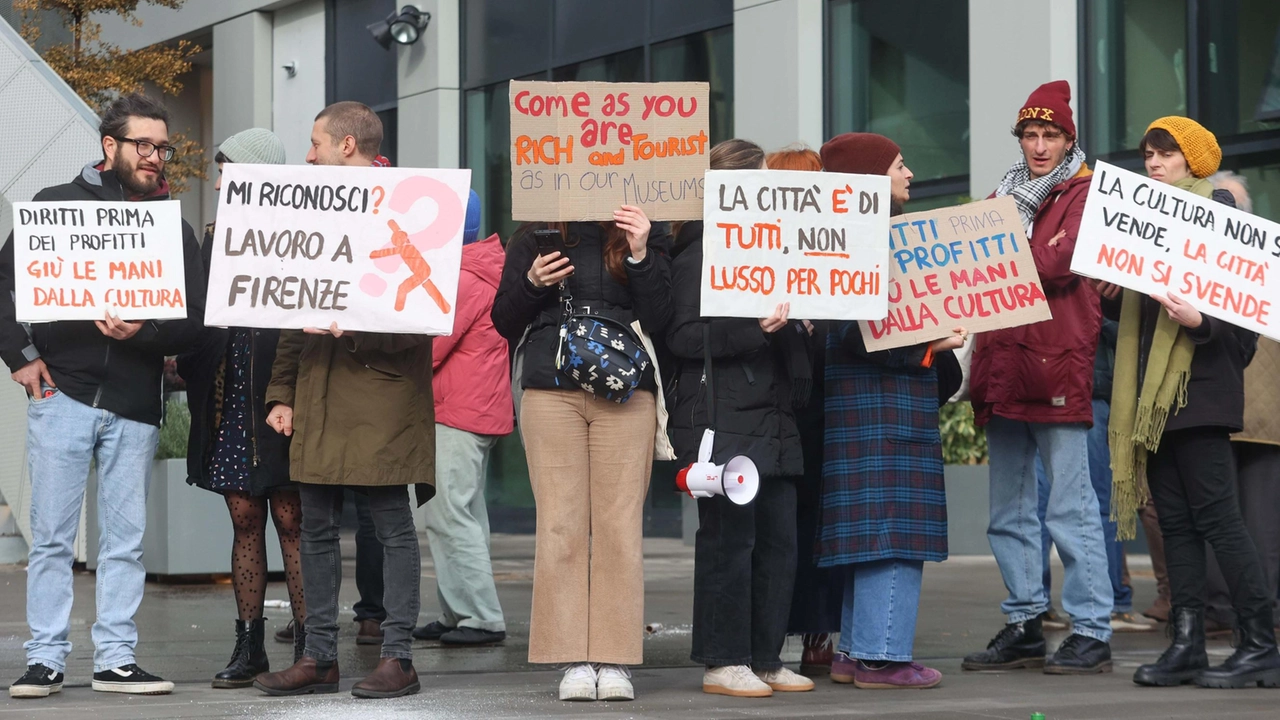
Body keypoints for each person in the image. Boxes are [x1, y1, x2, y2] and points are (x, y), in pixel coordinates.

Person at [3, 93, 207, 698]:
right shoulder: (54, 208)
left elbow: (195, 324)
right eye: (144, 144)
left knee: (126, 542)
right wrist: (21, 357)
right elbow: (1, 288)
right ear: (108, 147)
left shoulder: (175, 227)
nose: (155, 156)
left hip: (136, 403)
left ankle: (116, 659)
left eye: (163, 146)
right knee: (53, 538)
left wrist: (145, 333)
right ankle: (45, 659)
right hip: (62, 394)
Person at [252, 101, 434, 699]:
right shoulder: (311, 212)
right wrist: (281, 392)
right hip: (318, 397)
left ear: (347, 145)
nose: (307, 156)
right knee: (318, 529)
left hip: (381, 400)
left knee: (390, 526)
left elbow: (424, 319)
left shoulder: (408, 206)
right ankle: (320, 657)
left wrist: (354, 327)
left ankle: (399, 658)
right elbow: (290, 307)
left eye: (315, 143)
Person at [1107, 117, 1280, 688]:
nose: (1154, 163)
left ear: (1194, 160)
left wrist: (1200, 320)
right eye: (1148, 153)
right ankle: (1187, 641)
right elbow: (1143, 315)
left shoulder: (1221, 212)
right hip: (1155, 400)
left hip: (1200, 391)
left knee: (1220, 521)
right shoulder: (1144, 221)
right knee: (1177, 523)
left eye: (1166, 153)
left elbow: (1244, 323)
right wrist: (1112, 294)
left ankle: (1259, 642)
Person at [490, 198, 670, 701]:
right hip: (550, 388)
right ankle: (571, 658)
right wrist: (533, 284)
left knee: (618, 524)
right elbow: (503, 320)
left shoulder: (644, 230)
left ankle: (614, 660)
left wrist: (640, 254)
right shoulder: (537, 232)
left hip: (628, 387)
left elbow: (663, 318)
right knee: (560, 524)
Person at [963, 80, 1114, 674]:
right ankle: (1025, 621)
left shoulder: (1083, 192)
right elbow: (968, 263)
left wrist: (994, 244)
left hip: (1055, 366)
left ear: (1068, 138)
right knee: (1009, 511)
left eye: (1051, 134)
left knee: (1070, 510)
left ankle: (1091, 628)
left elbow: (1054, 262)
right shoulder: (1006, 193)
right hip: (1004, 366)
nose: (1040, 145)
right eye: (1031, 133)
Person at [815, 132, 963, 690]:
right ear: (872, 178)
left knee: (869, 535)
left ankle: (856, 651)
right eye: (900, 165)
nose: (911, 174)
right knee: (891, 534)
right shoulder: (867, 241)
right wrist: (933, 345)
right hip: (881, 410)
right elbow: (861, 331)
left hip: (868, 410)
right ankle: (881, 657)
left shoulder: (847, 239)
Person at [667, 138, 815, 699]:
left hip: (773, 415)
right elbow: (681, 337)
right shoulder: (697, 252)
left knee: (779, 542)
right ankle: (724, 660)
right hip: (724, 419)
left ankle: (766, 657)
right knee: (731, 543)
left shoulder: (776, 249)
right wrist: (757, 328)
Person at [178, 128, 307, 688]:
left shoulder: (304, 233)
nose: (221, 179)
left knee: (293, 518)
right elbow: (201, 314)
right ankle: (249, 644)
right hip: (230, 395)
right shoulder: (213, 236)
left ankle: (311, 642)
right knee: (245, 517)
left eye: (230, 169)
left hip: (281, 396)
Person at [411, 190, 512, 646]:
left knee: (448, 512)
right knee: (461, 511)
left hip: (457, 410)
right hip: (472, 408)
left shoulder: (464, 279)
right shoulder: (480, 268)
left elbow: (430, 348)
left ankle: (482, 616)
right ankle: (458, 612)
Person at [767, 145, 843, 678]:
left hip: (807, 401)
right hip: (796, 401)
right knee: (800, 520)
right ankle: (811, 634)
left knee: (801, 519)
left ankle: (810, 633)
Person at [1033, 317, 1154, 633]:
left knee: (1039, 503)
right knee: (1101, 501)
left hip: (1037, 383)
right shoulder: (1093, 276)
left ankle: (1034, 604)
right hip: (1088, 385)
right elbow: (1117, 330)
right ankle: (1112, 602)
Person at [1203, 171, 1280, 635]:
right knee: (1259, 517)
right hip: (1260, 411)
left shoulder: (1205, 259)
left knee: (1219, 513)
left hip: (1227, 402)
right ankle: (1260, 610)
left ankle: (1223, 609)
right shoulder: (1269, 257)